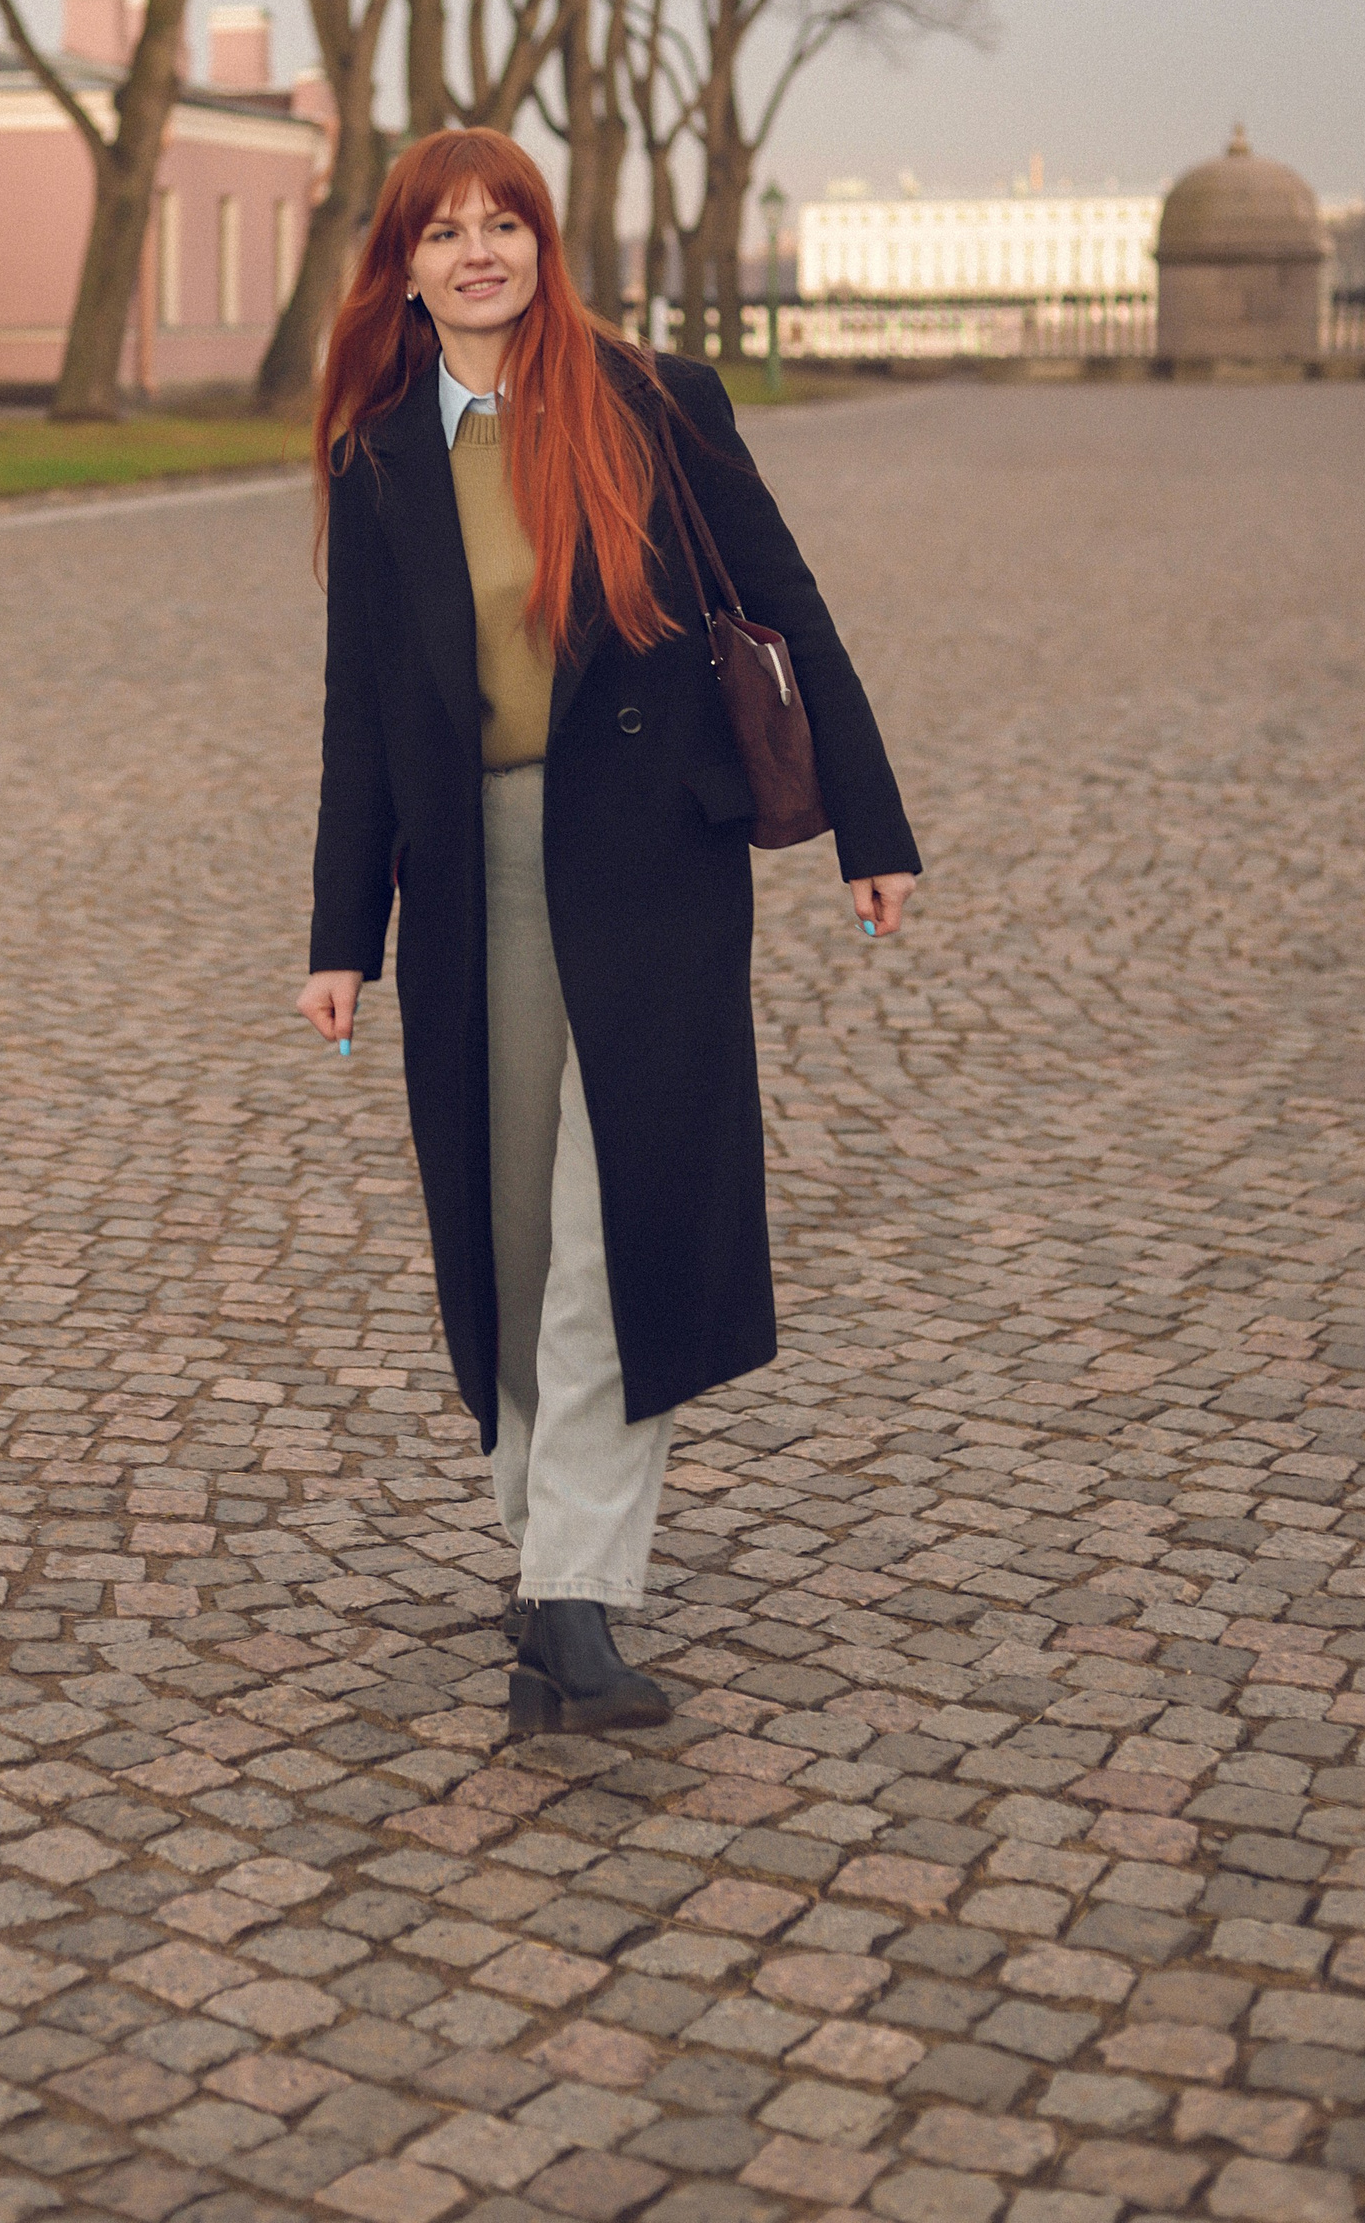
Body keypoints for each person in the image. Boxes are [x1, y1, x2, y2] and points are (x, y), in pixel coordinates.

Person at [298, 130, 919, 1735]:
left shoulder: (654, 404)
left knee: (611, 1227)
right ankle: (542, 1550)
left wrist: (871, 825)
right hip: (474, 880)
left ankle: (573, 1592)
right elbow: (363, 714)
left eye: (504, 223)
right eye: (446, 231)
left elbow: (790, 607)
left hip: (652, 868)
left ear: (545, 244)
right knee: (509, 1235)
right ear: (405, 268)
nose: (479, 252)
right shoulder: (379, 461)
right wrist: (340, 935)